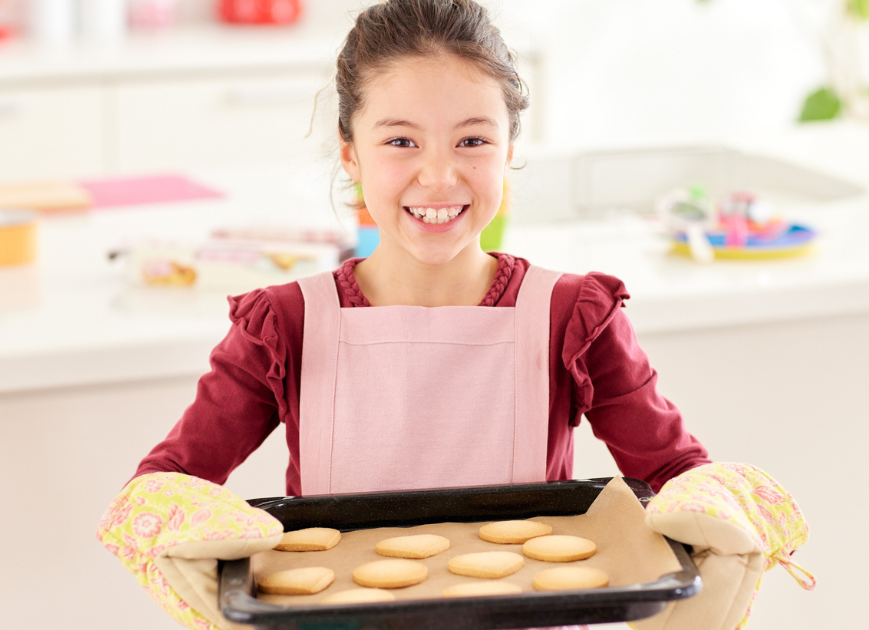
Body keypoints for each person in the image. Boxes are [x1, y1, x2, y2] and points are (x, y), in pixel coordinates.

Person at [97, 2, 814, 629]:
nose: (438, 176)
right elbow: (168, 485)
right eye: (400, 140)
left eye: (472, 140)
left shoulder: (571, 316)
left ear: (510, 149)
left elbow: (676, 473)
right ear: (350, 153)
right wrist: (207, 559)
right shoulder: (286, 326)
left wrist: (714, 526)